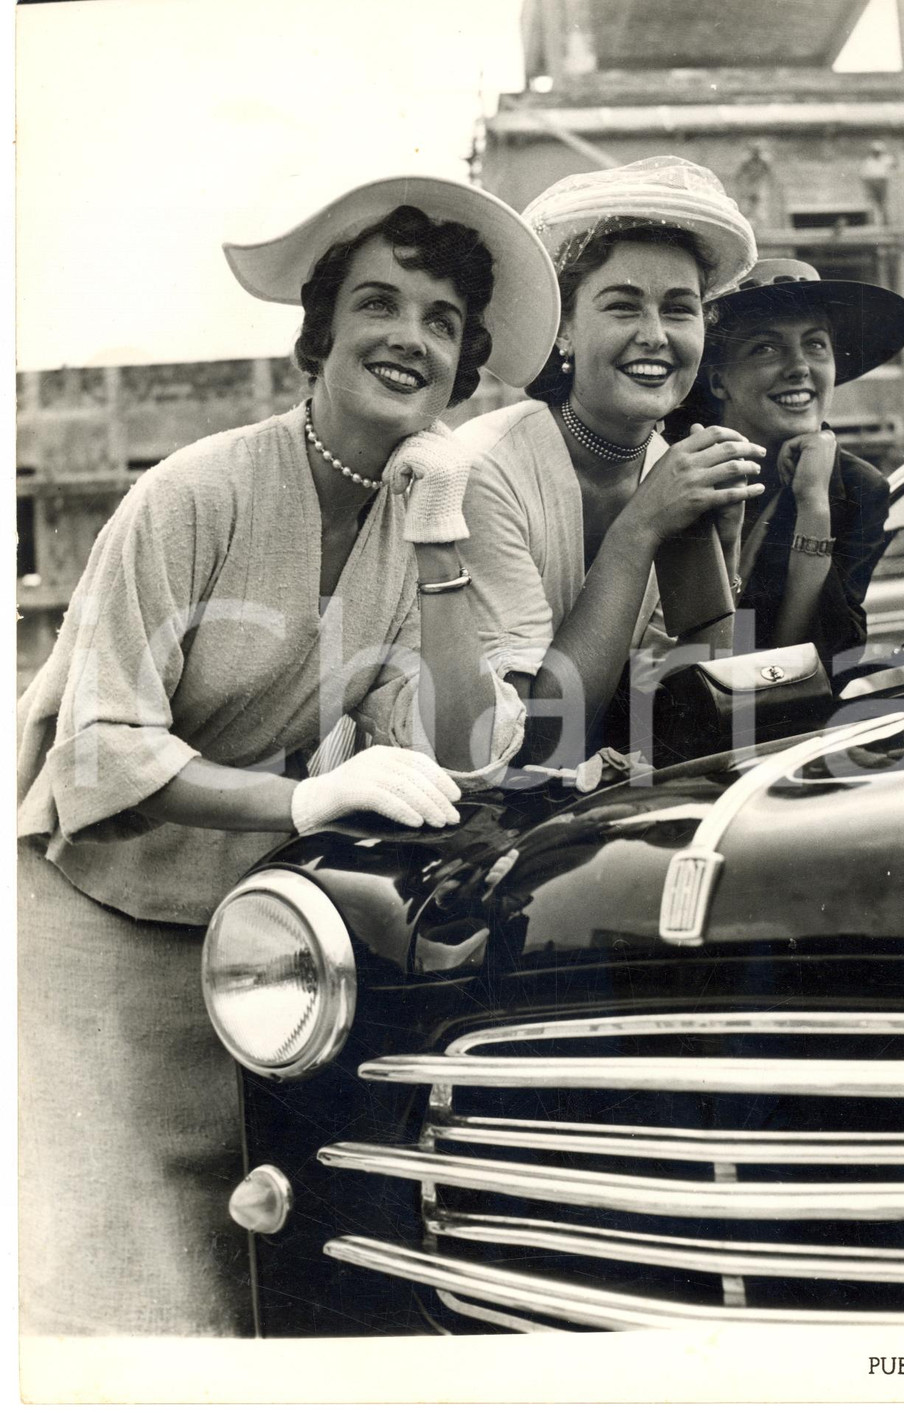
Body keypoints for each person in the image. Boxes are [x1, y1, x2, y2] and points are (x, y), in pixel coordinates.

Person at [16, 175, 560, 1335]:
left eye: (441, 321)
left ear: (464, 369)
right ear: (320, 335)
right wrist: (305, 792)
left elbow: (461, 748)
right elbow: (100, 744)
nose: (407, 337)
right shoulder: (195, 491)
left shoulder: (418, 513)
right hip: (85, 903)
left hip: (244, 934)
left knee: (246, 1244)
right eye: (378, 303)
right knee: (117, 1265)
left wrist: (442, 530)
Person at [455, 156, 766, 768]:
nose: (655, 334)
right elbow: (532, 744)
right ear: (565, 328)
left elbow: (695, 714)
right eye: (624, 306)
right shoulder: (485, 469)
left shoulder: (667, 467)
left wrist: (716, 551)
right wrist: (640, 528)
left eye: (679, 309)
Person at [676, 257, 904, 666]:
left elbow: (815, 660)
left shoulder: (859, 488)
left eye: (816, 344)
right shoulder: (679, 466)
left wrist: (814, 506)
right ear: (718, 380)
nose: (800, 367)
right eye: (766, 347)